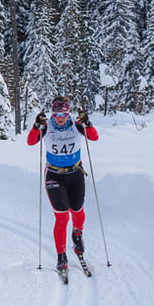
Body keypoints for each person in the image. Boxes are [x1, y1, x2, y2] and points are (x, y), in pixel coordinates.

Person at [26, 95, 99, 273]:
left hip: (75, 174)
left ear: (68, 113)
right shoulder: (46, 125)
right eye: (56, 114)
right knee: (62, 217)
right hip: (54, 175)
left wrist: (88, 124)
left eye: (63, 114)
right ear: (52, 113)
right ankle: (61, 257)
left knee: (78, 212)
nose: (60, 118)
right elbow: (30, 141)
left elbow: (94, 138)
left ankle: (77, 233)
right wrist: (36, 126)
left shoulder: (76, 124)